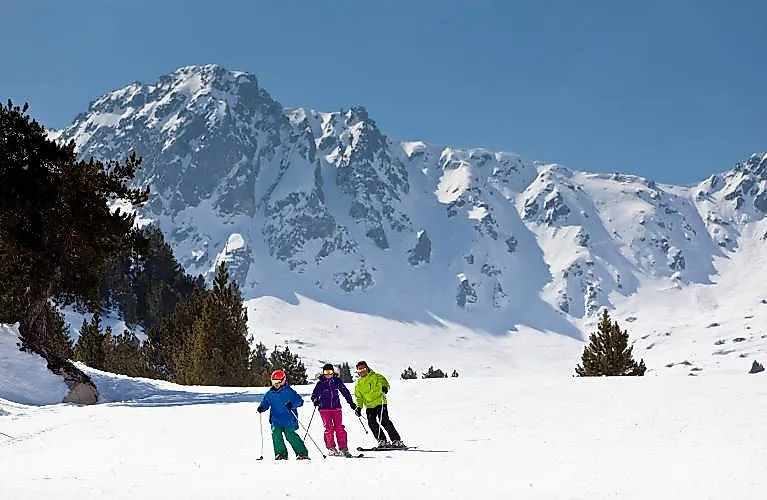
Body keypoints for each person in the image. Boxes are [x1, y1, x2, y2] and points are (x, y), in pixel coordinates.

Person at [257, 369, 310, 460]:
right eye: (274, 381)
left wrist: (292, 405)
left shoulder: (289, 392)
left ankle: (302, 453)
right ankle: (281, 454)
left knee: (290, 434)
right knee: (275, 434)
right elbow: (265, 403)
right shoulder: (269, 394)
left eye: (278, 381)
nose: (276, 384)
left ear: (283, 380)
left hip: (289, 419)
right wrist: (262, 407)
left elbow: (300, 401)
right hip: (276, 419)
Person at [353, 360, 405, 448]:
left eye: (364, 369)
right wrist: (359, 407)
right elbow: (359, 397)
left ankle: (396, 440)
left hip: (380, 402)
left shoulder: (376, 376)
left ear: (367, 368)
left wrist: (385, 388)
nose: (362, 371)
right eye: (360, 370)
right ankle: (382, 440)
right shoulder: (358, 384)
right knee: (371, 423)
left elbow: (385, 383)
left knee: (384, 421)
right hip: (369, 405)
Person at [310, 363, 357, 457]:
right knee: (329, 428)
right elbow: (314, 395)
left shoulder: (337, 381)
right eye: (326, 372)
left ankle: (343, 448)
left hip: (336, 408)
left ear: (333, 372)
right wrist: (315, 400)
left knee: (339, 427)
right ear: (323, 373)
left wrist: (351, 402)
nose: (328, 374)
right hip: (324, 409)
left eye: (330, 372)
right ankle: (331, 448)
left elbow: (345, 391)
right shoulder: (320, 383)